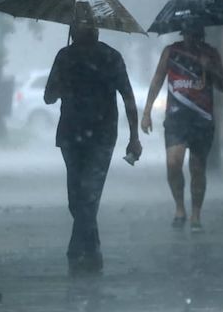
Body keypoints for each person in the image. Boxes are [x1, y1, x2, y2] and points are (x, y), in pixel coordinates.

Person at [44, 23, 142, 274]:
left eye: (91, 27)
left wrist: (134, 137)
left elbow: (128, 96)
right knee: (78, 198)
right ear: (76, 32)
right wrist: (64, 83)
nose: (89, 31)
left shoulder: (108, 58)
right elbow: (49, 96)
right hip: (76, 135)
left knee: (87, 193)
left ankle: (79, 248)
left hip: (98, 135)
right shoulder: (66, 57)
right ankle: (92, 243)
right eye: (84, 27)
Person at [141, 24, 223, 233]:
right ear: (184, 34)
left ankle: (196, 213)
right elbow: (157, 80)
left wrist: (211, 68)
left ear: (202, 35)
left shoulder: (211, 53)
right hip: (176, 118)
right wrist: (147, 112)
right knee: (173, 163)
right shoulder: (171, 52)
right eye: (189, 34)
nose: (193, 39)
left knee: (198, 168)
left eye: (197, 35)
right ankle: (180, 207)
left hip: (202, 118)